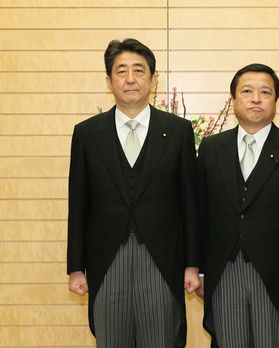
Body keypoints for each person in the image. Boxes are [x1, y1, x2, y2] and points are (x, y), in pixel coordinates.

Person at [66, 38, 200, 348]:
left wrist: (193, 264)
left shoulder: (178, 131)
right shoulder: (87, 133)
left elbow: (189, 203)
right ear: (108, 81)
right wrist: (76, 267)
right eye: (121, 71)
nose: (130, 79)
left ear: (154, 79)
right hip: (106, 259)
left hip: (162, 259)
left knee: (162, 339)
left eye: (139, 71)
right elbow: (79, 204)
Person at [196, 63, 279, 347]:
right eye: (247, 91)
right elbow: (201, 214)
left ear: (276, 99)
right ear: (234, 99)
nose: (256, 98)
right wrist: (201, 270)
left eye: (265, 92)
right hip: (224, 272)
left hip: (278, 278)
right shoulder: (212, 148)